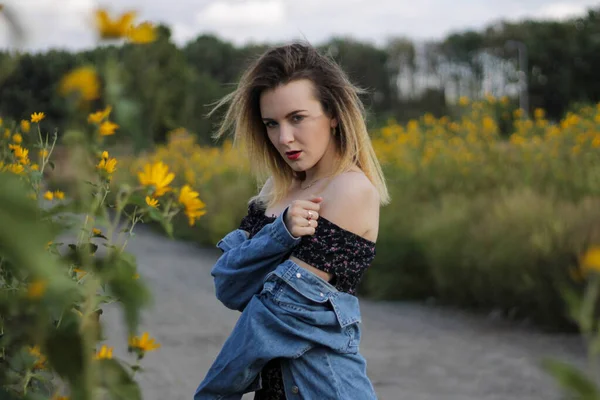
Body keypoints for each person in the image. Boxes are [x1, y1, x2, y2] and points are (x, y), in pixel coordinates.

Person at [194, 42, 390, 400]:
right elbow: (228, 284)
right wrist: (280, 233)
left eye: (297, 118)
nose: (284, 139)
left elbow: (274, 316)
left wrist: (212, 393)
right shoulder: (278, 188)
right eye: (272, 123)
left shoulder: (351, 189)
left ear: (332, 114)